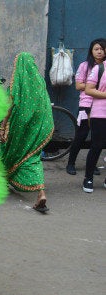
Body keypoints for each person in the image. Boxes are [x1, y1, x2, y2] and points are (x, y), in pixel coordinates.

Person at [0, 52, 53, 213]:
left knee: (13, 153)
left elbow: (10, 106)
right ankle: (40, 192)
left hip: (19, 128)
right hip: (39, 127)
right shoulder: (39, 83)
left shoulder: (17, 84)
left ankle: (5, 180)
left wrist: (3, 126)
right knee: (32, 156)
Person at [66, 38, 106, 176]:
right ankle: (71, 163)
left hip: (101, 107)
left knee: (97, 139)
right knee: (81, 135)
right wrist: (95, 84)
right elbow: (78, 85)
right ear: (91, 51)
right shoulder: (84, 66)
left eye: (102, 49)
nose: (99, 52)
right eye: (96, 49)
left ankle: (92, 165)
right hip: (86, 104)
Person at [82, 45, 106, 193]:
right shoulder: (100, 68)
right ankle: (88, 178)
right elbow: (88, 89)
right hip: (100, 113)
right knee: (96, 146)